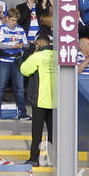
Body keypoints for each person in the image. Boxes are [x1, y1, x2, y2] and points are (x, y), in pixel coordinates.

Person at [20, 33, 57, 165]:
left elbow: (24, 70)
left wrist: (33, 54)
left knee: (37, 133)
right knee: (54, 133)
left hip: (40, 99)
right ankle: (53, 160)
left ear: (39, 44)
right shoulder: (57, 55)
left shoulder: (37, 56)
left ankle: (34, 159)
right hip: (56, 101)